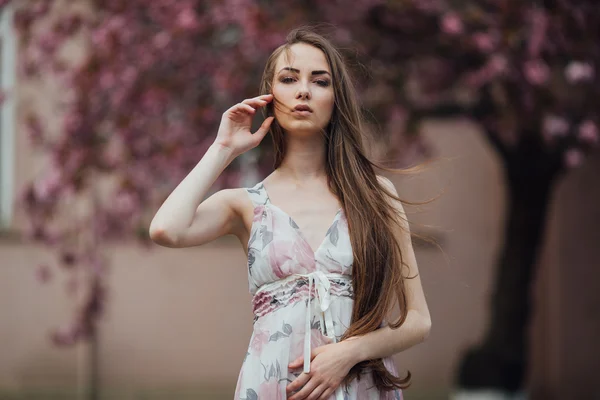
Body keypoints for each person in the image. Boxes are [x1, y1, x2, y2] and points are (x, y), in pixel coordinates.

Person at [149, 27, 431, 400]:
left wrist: (348, 353)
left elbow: (418, 321)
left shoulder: (376, 196)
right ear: (270, 95)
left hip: (361, 384)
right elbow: (166, 229)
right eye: (288, 79)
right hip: (273, 385)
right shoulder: (246, 204)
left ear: (336, 98)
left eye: (320, 81)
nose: (303, 91)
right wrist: (223, 147)